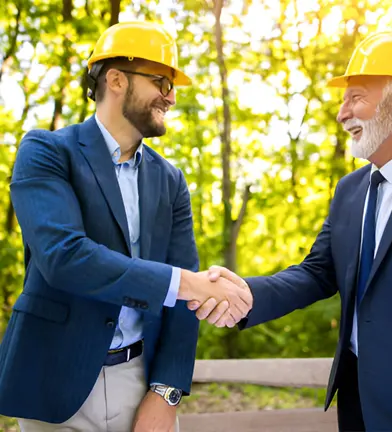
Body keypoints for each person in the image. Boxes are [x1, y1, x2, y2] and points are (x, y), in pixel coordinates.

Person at [190, 32, 392, 431]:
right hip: (358, 409)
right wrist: (247, 294)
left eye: (355, 97)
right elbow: (318, 273)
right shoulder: (349, 190)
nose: (342, 113)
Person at [0, 21, 251, 432]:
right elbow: (63, 257)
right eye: (161, 82)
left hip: (139, 381)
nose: (170, 97)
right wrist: (188, 283)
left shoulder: (170, 180)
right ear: (116, 79)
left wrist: (167, 393)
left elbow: (185, 304)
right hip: (53, 381)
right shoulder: (46, 151)